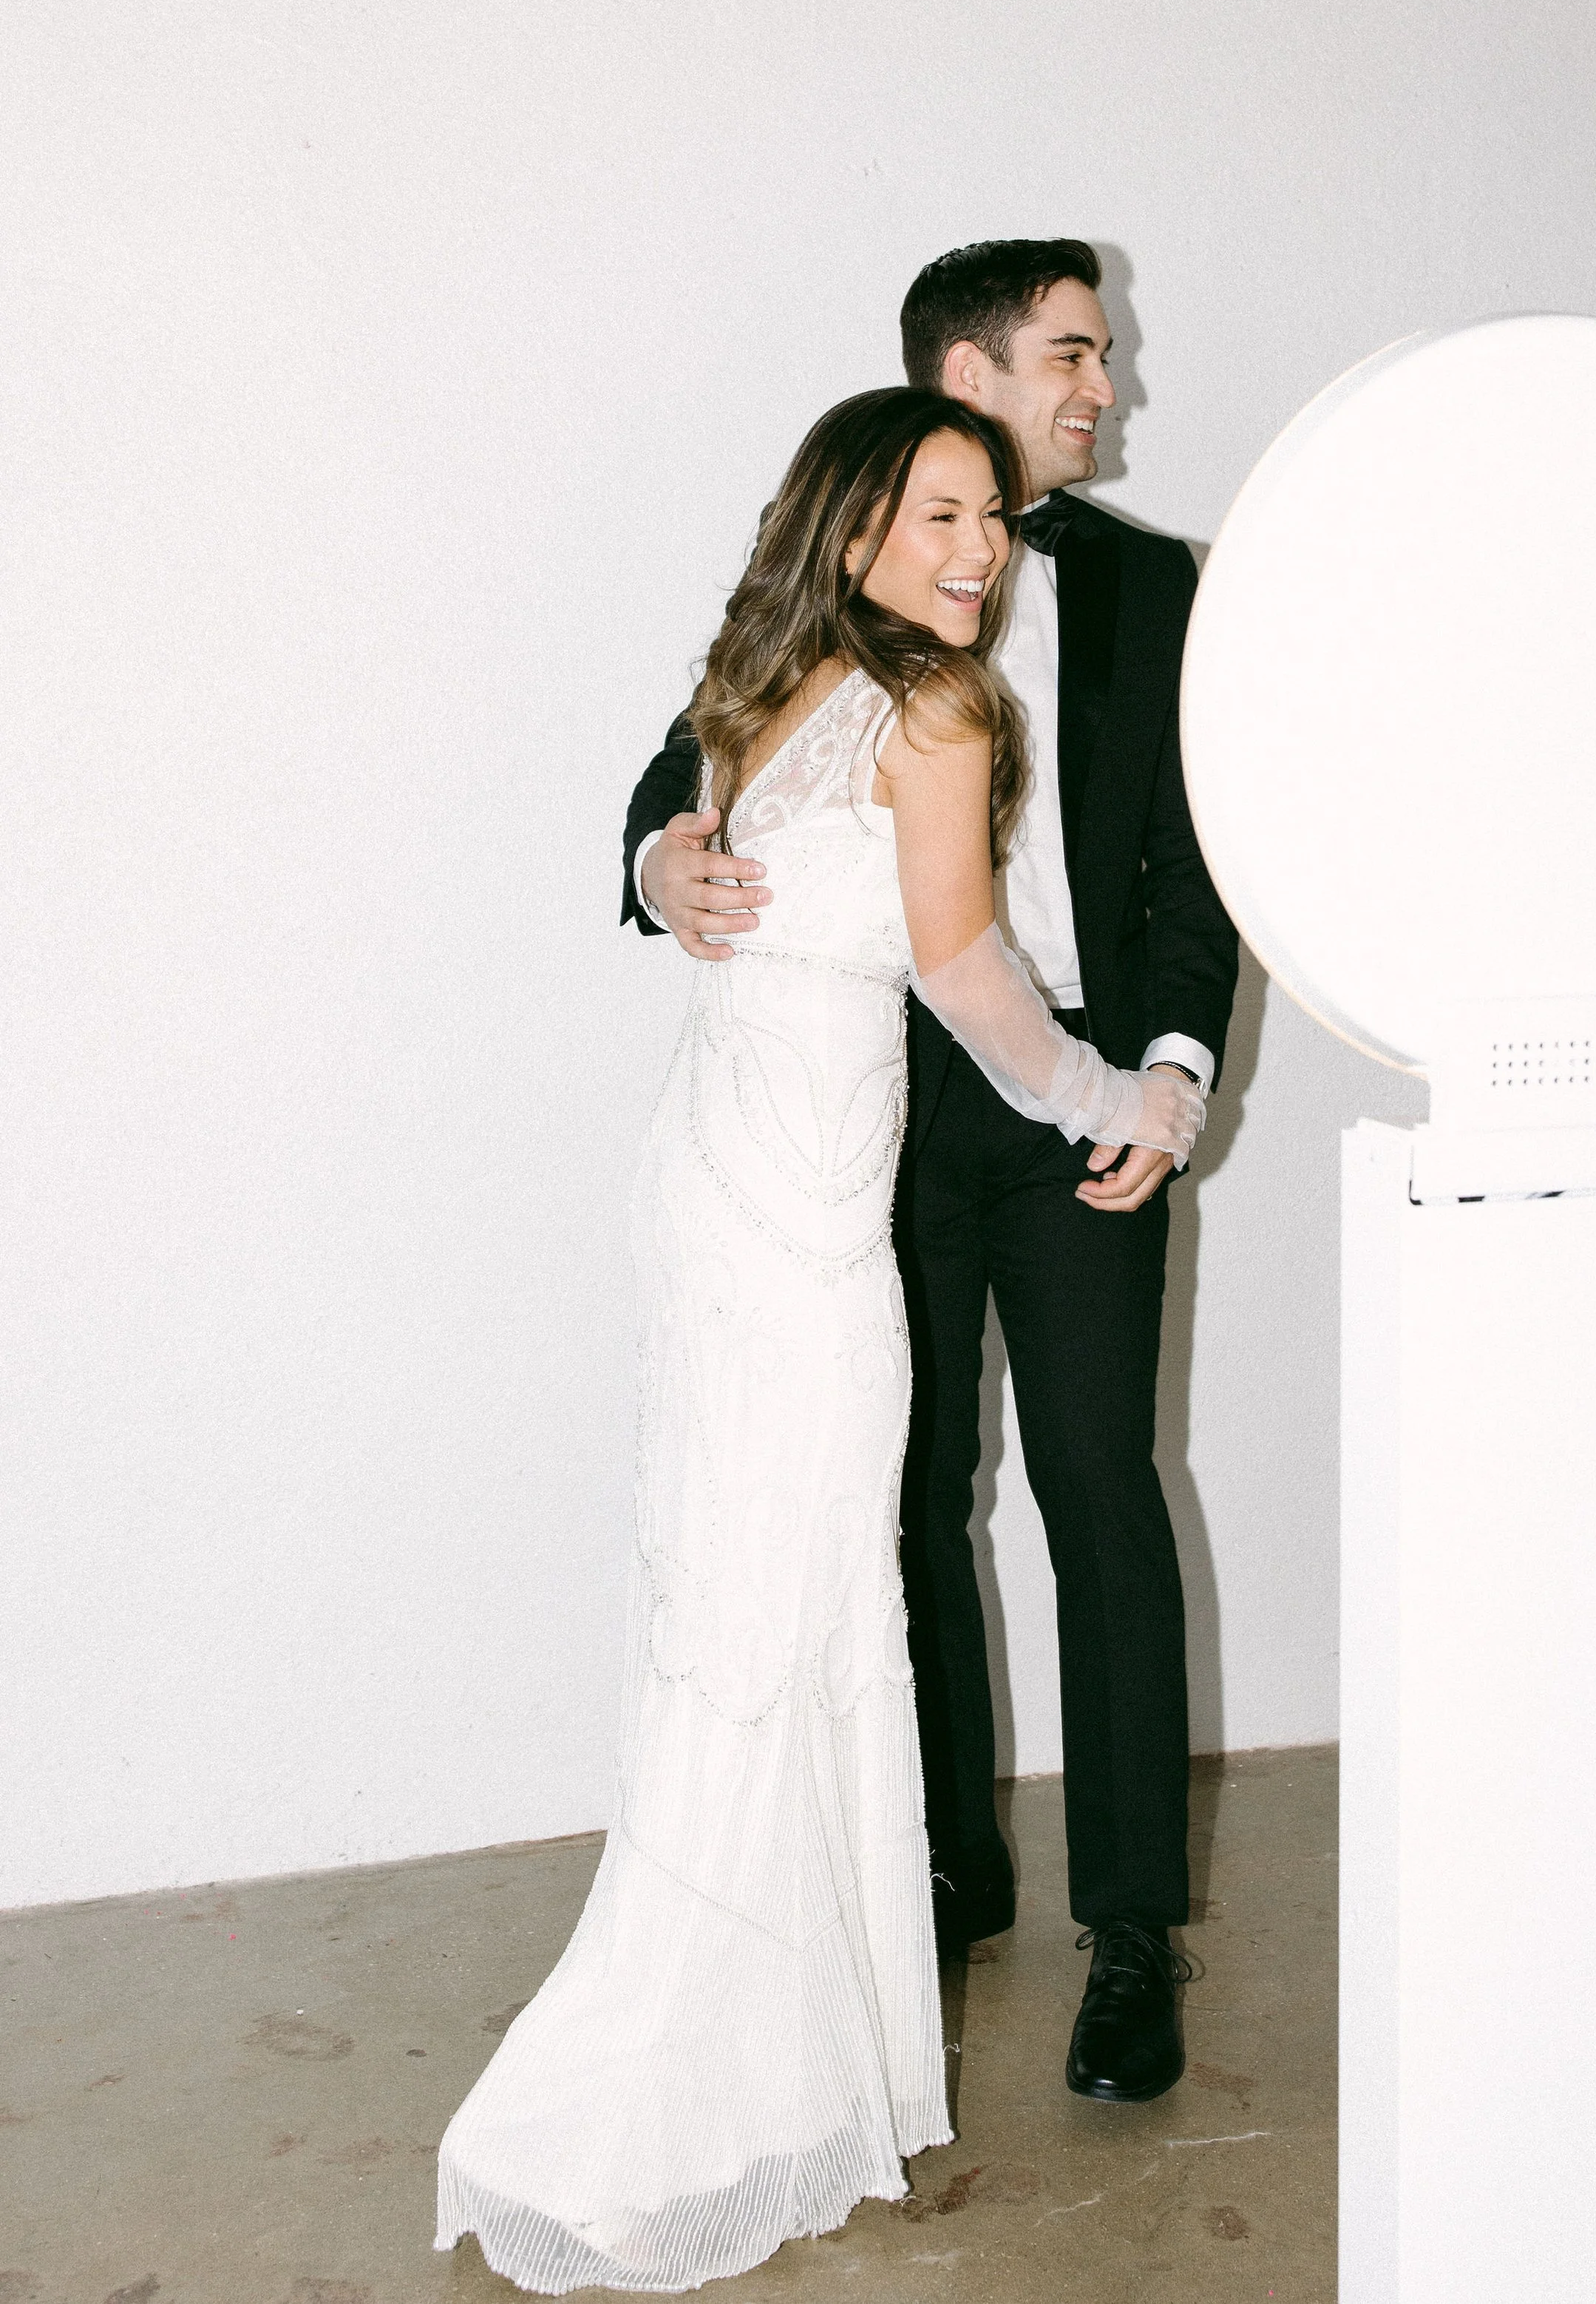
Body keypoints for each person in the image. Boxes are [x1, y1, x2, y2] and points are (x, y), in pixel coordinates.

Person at [435, 386, 1203, 2292]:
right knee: (805, 1604)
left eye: (989, 520)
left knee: (744, 1599)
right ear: (853, 528)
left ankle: (761, 2033)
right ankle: (747, 2066)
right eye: (940, 514)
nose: (979, 549)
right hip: (798, 1220)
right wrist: (1119, 1096)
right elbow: (967, 974)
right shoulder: (938, 707)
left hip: (719, 1182)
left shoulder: (762, 677)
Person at [625, 243, 1240, 2108]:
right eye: (1073, 354)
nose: (1104, 388)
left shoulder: (1154, 586)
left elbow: (1196, 865)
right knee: (895, 1497)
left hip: (1077, 1093)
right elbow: (699, 749)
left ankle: (1128, 1932)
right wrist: (659, 857)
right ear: (967, 376)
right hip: (873, 1099)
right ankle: (943, 1871)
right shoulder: (845, 571)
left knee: (1097, 1491)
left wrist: (1167, 1076)